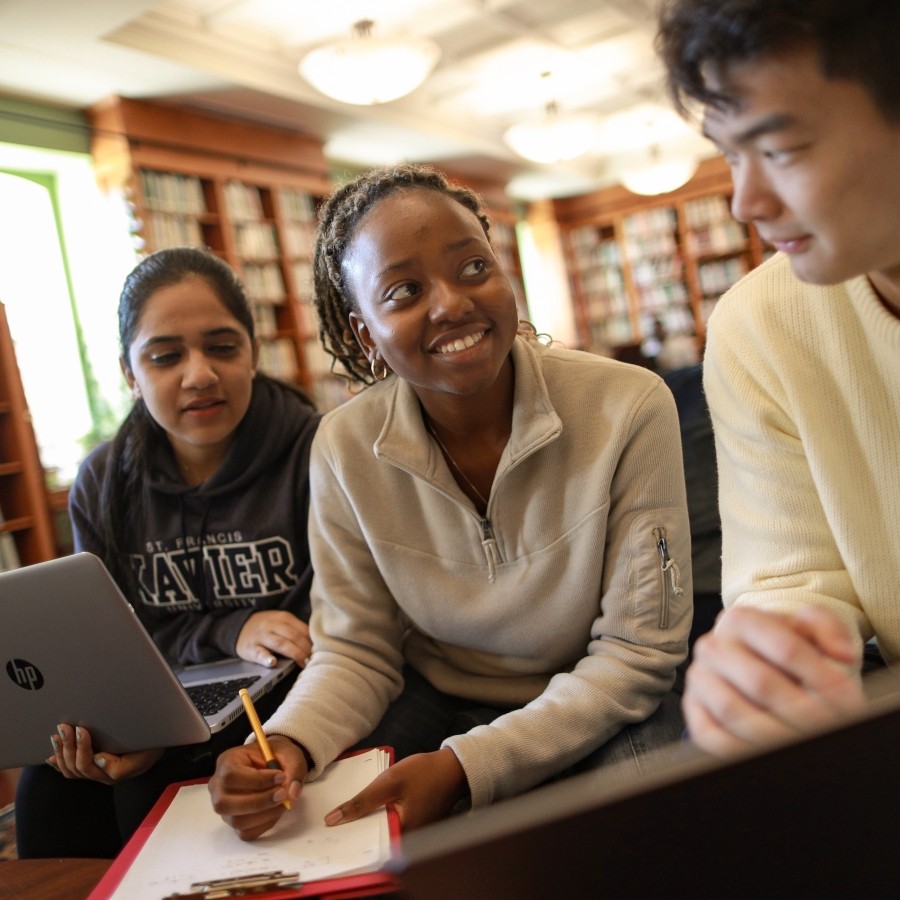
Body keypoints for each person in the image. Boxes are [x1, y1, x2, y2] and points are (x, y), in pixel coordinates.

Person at [207, 164, 693, 841]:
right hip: (438, 697)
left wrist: (467, 767)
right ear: (366, 335)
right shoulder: (343, 447)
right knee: (334, 840)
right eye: (404, 290)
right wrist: (286, 743)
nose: (452, 303)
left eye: (473, 268)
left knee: (650, 841)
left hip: (603, 694)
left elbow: (639, 654)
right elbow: (357, 649)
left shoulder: (629, 405)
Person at [15, 247, 321, 857]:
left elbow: (340, 621)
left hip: (287, 697)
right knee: (46, 789)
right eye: (165, 357)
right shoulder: (103, 480)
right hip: (160, 693)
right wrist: (228, 630)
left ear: (253, 352)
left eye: (222, 347)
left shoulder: (315, 452)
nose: (199, 375)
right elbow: (109, 637)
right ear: (129, 373)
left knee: (147, 793)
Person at [655, 0, 900, 756]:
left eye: (781, 149)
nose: (745, 202)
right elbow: (789, 579)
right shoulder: (758, 324)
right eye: (731, 155)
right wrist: (766, 657)